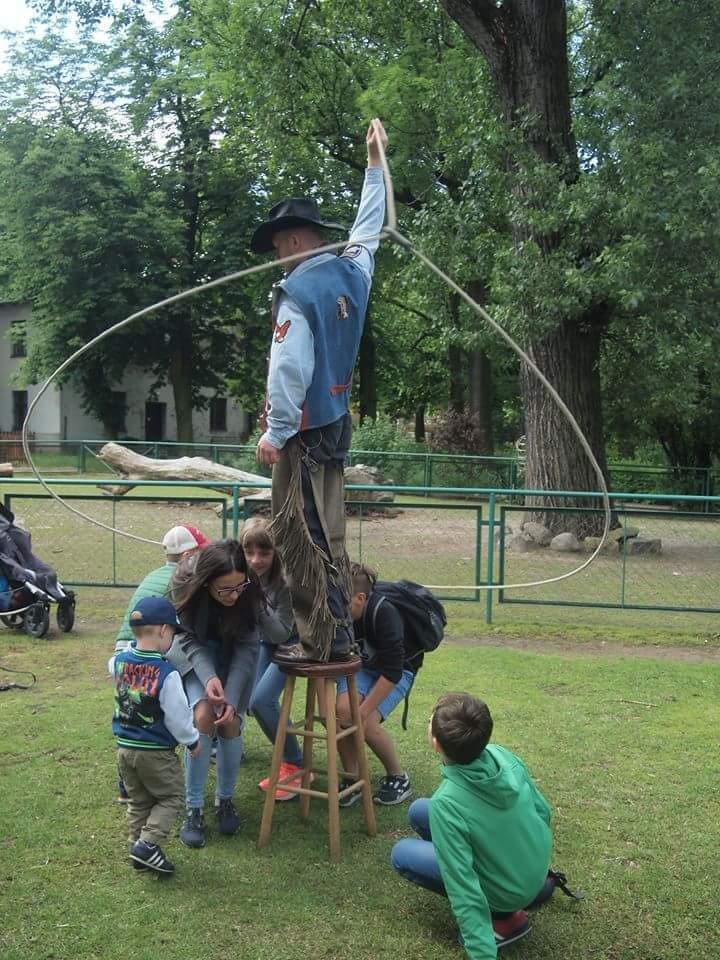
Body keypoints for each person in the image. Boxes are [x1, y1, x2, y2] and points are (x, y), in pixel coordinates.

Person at [252, 118, 388, 663]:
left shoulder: (296, 293)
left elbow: (288, 371)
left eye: (276, 247)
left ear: (289, 241)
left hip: (303, 433)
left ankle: (322, 638)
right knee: (328, 529)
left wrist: (274, 432)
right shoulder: (353, 271)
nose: (276, 257)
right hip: (335, 424)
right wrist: (375, 168)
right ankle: (340, 631)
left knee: (298, 535)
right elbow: (369, 229)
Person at [390, 693, 554, 958]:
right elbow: (542, 812)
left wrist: (481, 951)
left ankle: (503, 918)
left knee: (402, 853)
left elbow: (463, 888)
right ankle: (522, 889)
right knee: (420, 810)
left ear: (435, 744)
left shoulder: (448, 803)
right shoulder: (502, 755)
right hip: (535, 876)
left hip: (510, 893)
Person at [170, 539, 262, 848]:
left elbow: (249, 646)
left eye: (239, 587)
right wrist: (208, 677)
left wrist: (232, 698)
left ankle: (225, 801)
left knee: (230, 720)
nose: (234, 595)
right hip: (196, 654)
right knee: (203, 716)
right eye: (225, 590)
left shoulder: (249, 589)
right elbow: (189, 641)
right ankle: (193, 808)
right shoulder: (185, 583)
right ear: (206, 583)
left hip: (236, 655)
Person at [113, 523, 209, 802]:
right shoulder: (186, 579)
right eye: (200, 553)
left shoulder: (151, 575)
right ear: (187, 555)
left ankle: (126, 779)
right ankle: (188, 745)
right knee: (166, 702)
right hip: (155, 647)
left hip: (124, 651)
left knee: (132, 709)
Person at [109, 596, 200, 876]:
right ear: (162, 630)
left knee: (139, 801)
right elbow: (177, 715)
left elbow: (110, 664)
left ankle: (136, 848)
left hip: (124, 749)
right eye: (171, 633)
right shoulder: (167, 673)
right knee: (171, 798)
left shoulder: (119, 663)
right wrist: (192, 740)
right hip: (156, 752)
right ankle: (147, 845)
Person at [335, 562, 414, 806]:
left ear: (360, 597)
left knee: (365, 723)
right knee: (343, 715)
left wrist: (365, 709)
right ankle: (351, 778)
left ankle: (398, 777)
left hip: (397, 672)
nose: (338, 611)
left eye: (343, 605)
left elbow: (392, 670)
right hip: (363, 667)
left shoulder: (384, 612)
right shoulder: (343, 615)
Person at [242, 518, 305, 801]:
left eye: (264, 553)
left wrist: (256, 603)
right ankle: (289, 757)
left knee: (261, 700)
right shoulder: (242, 573)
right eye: (249, 552)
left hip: (292, 645)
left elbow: (280, 633)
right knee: (252, 704)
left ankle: (296, 764)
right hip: (265, 643)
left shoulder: (284, 583)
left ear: (276, 552)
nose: (256, 560)